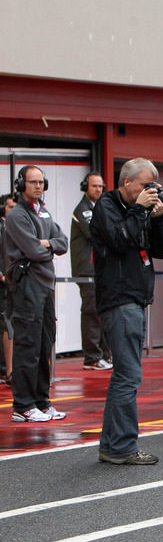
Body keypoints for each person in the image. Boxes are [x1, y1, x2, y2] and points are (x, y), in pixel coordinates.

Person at [91, 157, 163, 463]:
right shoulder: (106, 206)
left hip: (136, 298)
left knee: (124, 375)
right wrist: (139, 209)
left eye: (154, 186)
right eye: (145, 185)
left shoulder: (142, 212)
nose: (150, 191)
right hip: (119, 298)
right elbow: (119, 239)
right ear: (127, 182)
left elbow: (162, 251)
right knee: (128, 376)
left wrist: (158, 219)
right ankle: (122, 446)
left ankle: (112, 446)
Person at [4, 166, 69, 423]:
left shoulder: (44, 212)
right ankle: (23, 405)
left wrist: (47, 245)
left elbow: (62, 242)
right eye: (32, 182)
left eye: (41, 182)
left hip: (45, 285)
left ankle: (42, 401)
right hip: (27, 284)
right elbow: (33, 251)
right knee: (27, 345)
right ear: (21, 184)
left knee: (44, 344)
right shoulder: (17, 215)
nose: (38, 186)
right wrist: (47, 246)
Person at [71, 171, 113, 370]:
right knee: (91, 312)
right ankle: (92, 357)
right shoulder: (82, 209)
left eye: (101, 186)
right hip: (87, 270)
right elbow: (95, 233)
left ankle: (104, 354)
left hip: (101, 269)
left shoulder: (100, 208)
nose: (99, 189)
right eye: (95, 186)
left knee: (103, 311)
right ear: (85, 187)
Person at [0, 194, 14, 384]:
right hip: (3, 283)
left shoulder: (14, 228)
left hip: (12, 283)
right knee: (6, 326)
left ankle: (9, 370)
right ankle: (8, 371)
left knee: (9, 326)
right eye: (10, 207)